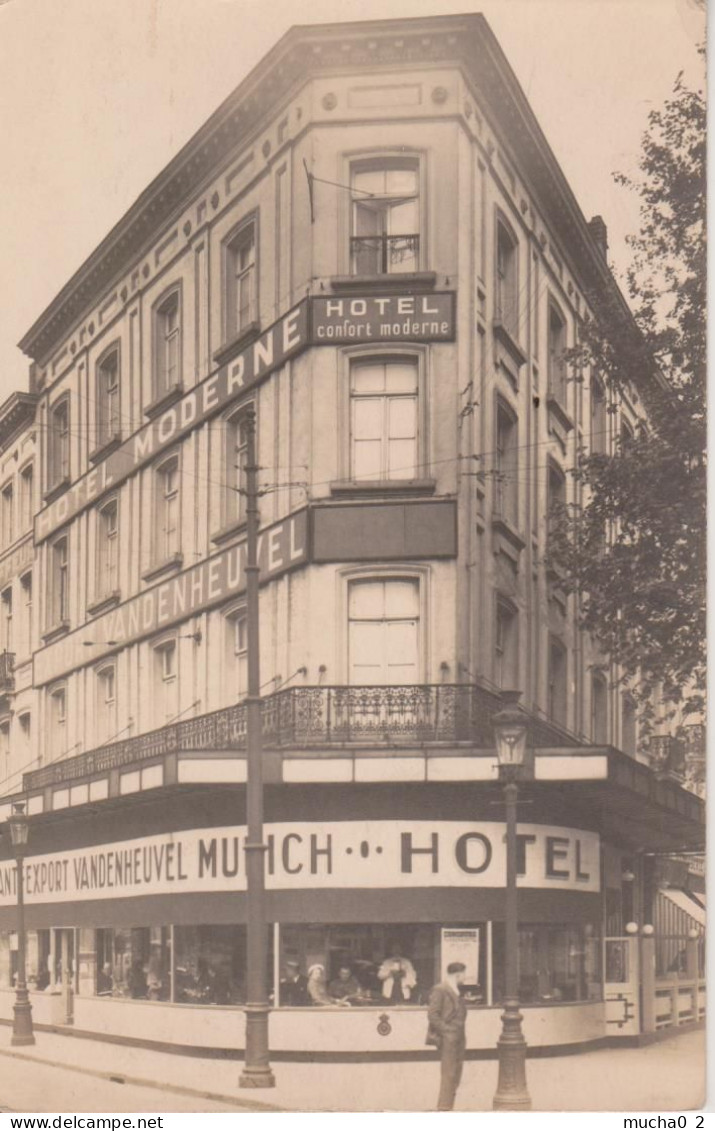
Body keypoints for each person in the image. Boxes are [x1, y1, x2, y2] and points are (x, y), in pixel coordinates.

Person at [427, 961, 468, 1112]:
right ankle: (444, 1108)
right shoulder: (440, 989)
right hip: (449, 1038)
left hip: (458, 1038)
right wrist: (447, 1031)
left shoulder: (454, 990)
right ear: (458, 975)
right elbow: (433, 1015)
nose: (465, 977)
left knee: (455, 1074)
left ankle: (448, 1107)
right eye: (464, 974)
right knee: (449, 1075)